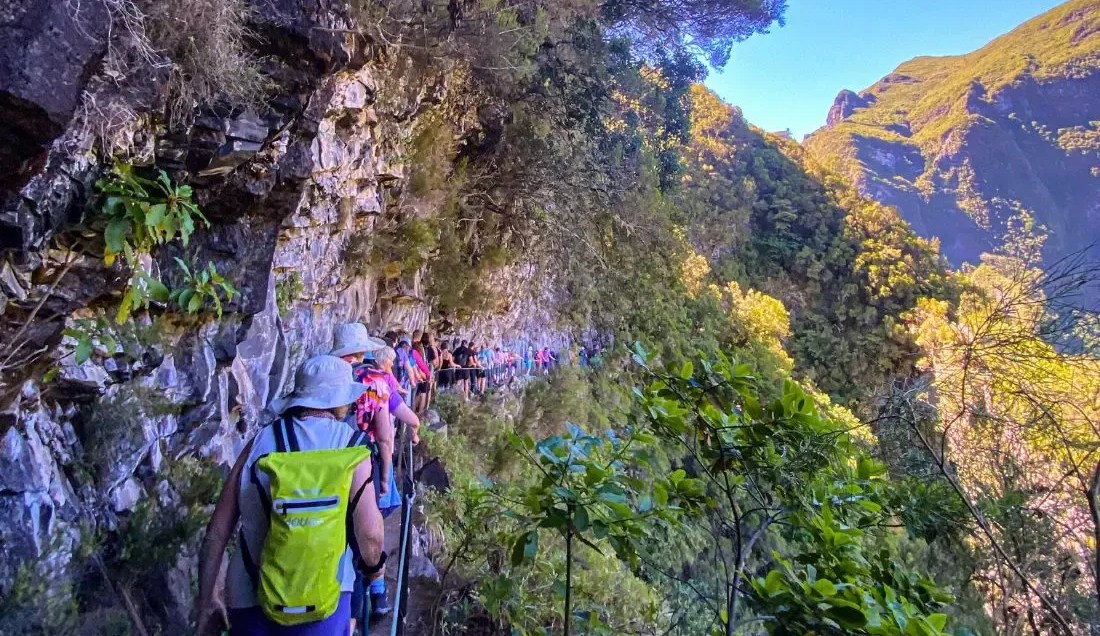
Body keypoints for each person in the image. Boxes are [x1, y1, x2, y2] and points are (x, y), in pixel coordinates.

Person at [195, 355, 385, 636]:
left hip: (250, 593)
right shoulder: (351, 448)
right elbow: (370, 533)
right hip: (324, 597)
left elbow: (217, 530)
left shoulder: (259, 442)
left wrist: (207, 599)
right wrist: (376, 573)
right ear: (337, 400)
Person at [329, 324, 394, 626]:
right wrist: (384, 477)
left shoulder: (327, 378)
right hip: (362, 457)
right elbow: (384, 436)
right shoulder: (375, 381)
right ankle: (374, 597)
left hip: (328, 461)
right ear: (362, 350)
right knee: (366, 530)